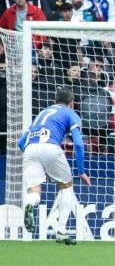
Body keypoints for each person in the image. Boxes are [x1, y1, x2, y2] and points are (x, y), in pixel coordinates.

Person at [19, 88, 91, 245]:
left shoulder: (42, 113)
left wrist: (37, 157)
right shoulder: (71, 113)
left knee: (35, 191)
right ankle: (61, 231)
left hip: (30, 149)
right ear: (72, 104)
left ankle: (29, 204)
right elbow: (78, 144)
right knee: (66, 187)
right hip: (51, 147)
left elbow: (20, 142)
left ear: (54, 101)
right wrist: (81, 171)